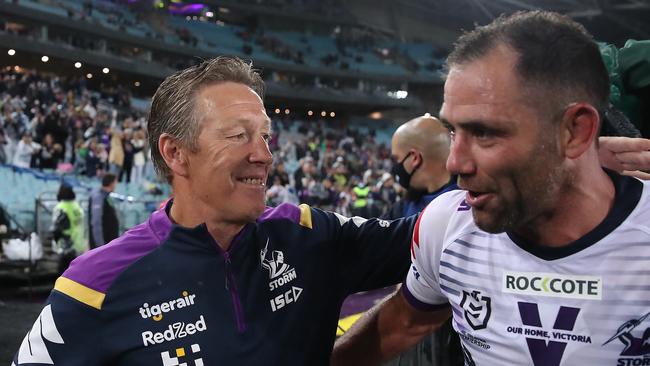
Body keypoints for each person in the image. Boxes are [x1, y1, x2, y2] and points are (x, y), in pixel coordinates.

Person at [12, 57, 416, 365]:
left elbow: (428, 235)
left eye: (264, 136)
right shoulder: (93, 284)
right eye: (239, 135)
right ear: (176, 153)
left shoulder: (307, 235)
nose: (264, 155)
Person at [332, 11, 650, 366]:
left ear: (574, 132)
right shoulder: (446, 224)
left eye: (484, 133)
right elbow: (399, 327)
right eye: (453, 130)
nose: (455, 163)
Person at [386, 115, 458, 219]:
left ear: (415, 158)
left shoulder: (466, 205)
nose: (395, 166)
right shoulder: (405, 204)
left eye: (396, 159)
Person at [51, 184, 86, 273]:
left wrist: (55, 241)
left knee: (63, 277)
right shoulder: (77, 207)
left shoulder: (61, 208)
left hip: (66, 248)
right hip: (79, 246)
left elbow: (57, 229)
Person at [88, 173, 119, 248]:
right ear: (111, 183)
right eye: (115, 182)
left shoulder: (107, 196)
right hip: (102, 244)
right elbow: (96, 222)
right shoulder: (98, 197)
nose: (116, 185)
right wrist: (100, 245)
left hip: (108, 242)